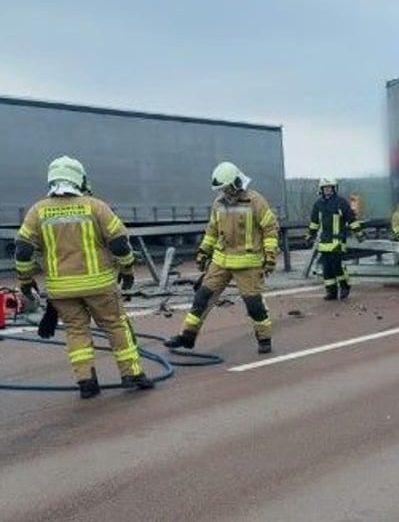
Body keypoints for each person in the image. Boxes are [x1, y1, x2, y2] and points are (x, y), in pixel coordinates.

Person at [15, 156, 153, 398]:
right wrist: (127, 270)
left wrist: (26, 281)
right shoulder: (95, 206)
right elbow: (120, 243)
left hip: (62, 290)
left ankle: (86, 382)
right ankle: (131, 374)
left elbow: (23, 250)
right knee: (115, 326)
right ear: (79, 178)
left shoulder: (37, 211)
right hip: (99, 285)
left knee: (76, 331)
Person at [164, 162, 279, 354]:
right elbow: (212, 231)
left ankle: (264, 337)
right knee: (201, 298)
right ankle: (187, 337)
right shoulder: (218, 203)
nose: (225, 193)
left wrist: (270, 256)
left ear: (236, 183)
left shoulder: (255, 201)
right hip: (221, 261)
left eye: (226, 188)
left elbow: (270, 229)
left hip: (247, 263)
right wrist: (203, 251)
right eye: (221, 189)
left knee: (254, 305)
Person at [307, 178, 363, 300]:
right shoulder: (318, 204)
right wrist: (310, 234)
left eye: (330, 187)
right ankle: (331, 292)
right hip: (324, 241)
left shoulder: (341, 202)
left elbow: (351, 219)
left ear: (334, 188)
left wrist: (358, 233)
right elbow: (314, 222)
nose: (328, 190)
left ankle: (345, 286)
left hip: (338, 240)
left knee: (336, 265)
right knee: (326, 268)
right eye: (325, 188)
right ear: (321, 189)